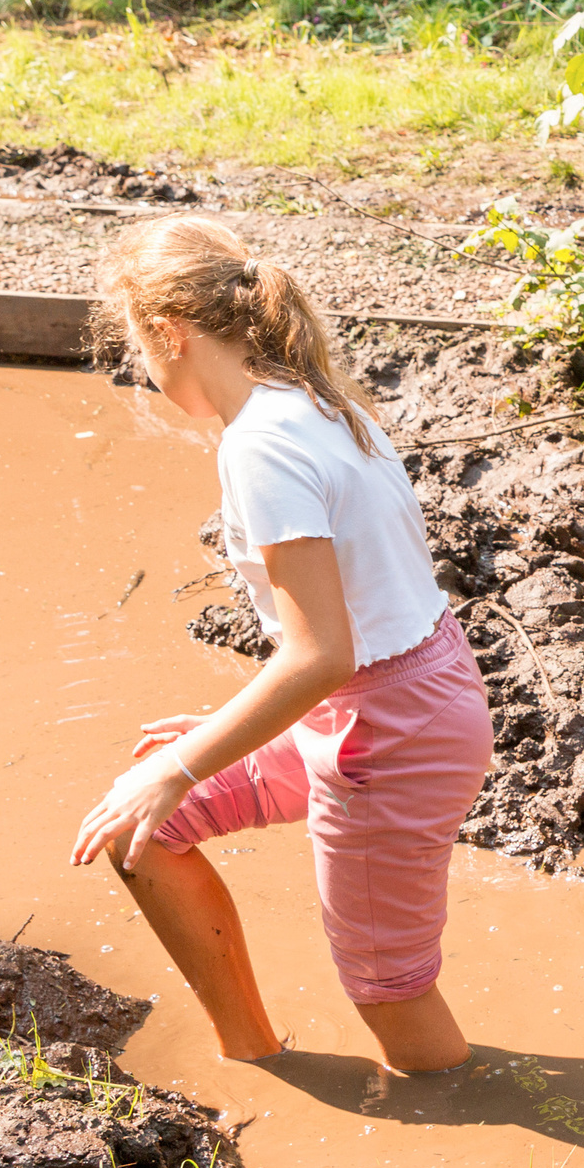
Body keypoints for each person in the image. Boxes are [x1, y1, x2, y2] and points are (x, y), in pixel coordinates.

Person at [70, 217, 494, 1073]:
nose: (145, 372)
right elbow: (347, 637)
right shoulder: (313, 401)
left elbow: (322, 654)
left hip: (386, 728)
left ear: (170, 332)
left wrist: (181, 760)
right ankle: (254, 1054)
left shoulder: (262, 444)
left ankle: (477, 1113)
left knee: (386, 985)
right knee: (143, 829)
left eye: (138, 350)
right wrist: (216, 738)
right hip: (391, 698)